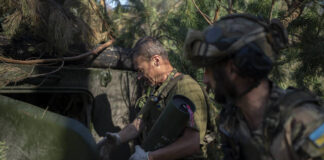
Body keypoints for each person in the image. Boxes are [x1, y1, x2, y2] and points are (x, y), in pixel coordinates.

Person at [183, 14, 324, 160]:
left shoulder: (304, 121)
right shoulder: (232, 120)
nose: (205, 79)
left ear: (232, 69)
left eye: (210, 69)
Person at [98, 36, 214, 160]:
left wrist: (149, 157)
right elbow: (139, 122)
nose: (139, 76)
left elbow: (192, 143)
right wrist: (117, 138)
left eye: (141, 70)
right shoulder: (159, 89)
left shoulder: (186, 88)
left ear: (156, 61)